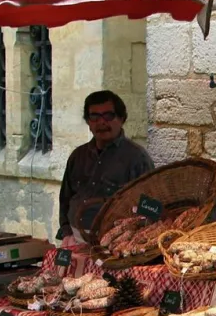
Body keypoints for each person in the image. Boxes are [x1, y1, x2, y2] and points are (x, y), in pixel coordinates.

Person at [58, 90, 152, 241]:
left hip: (115, 242)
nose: (101, 122)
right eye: (94, 116)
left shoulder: (137, 158)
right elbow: (65, 199)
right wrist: (66, 232)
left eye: (108, 116)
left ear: (121, 119)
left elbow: (150, 208)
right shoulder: (78, 156)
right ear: (88, 122)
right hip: (74, 239)